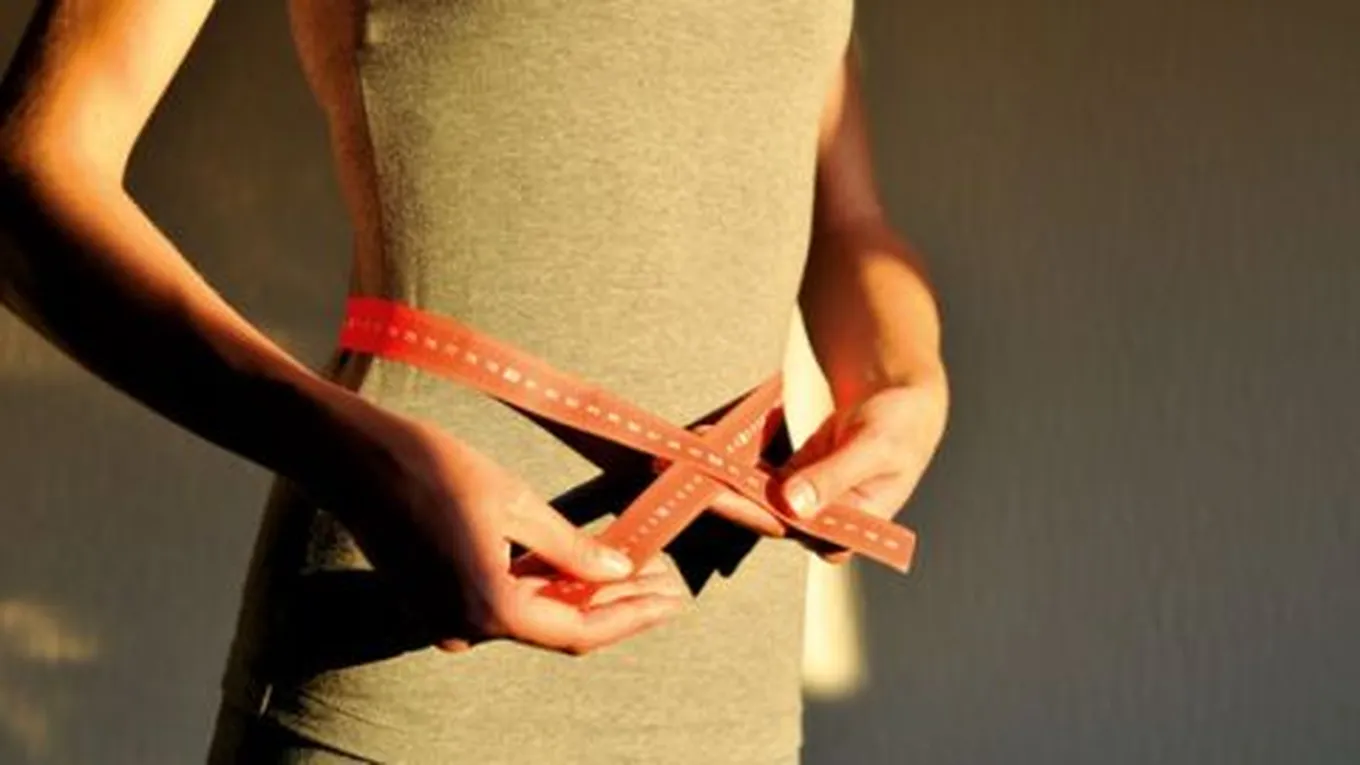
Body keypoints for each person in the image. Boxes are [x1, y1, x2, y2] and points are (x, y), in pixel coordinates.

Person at [0, 0, 949, 762]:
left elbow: (847, 218)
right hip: (407, 660)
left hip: (733, 689)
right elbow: (31, 176)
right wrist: (352, 455)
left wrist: (905, 370)